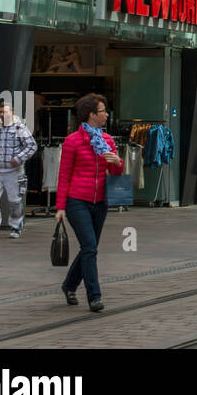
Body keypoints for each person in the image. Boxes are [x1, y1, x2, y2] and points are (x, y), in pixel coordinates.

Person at [56, 94, 124, 312]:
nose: (106, 115)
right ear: (91, 114)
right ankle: (94, 297)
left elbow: (115, 172)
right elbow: (64, 175)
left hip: (100, 201)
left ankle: (69, 285)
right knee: (89, 248)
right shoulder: (73, 141)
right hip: (77, 201)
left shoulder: (108, 141)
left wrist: (117, 162)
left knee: (89, 248)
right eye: (103, 111)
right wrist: (60, 207)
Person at [0, 99, 37, 239]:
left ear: (11, 113)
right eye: (0, 112)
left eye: (4, 111)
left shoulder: (20, 128)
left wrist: (18, 158)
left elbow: (32, 146)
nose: (2, 114)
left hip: (14, 171)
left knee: (15, 201)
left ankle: (16, 227)